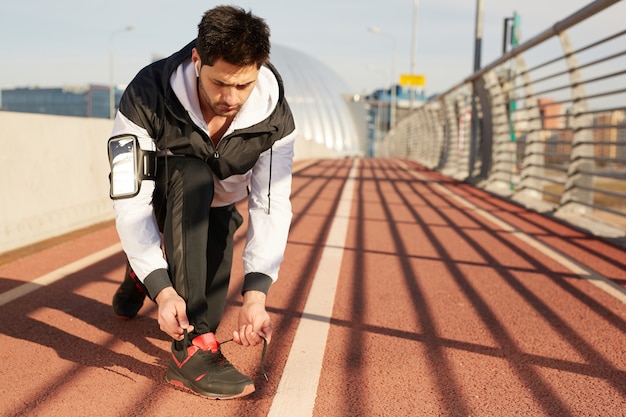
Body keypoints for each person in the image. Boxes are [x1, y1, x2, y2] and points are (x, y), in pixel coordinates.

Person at [107, 5, 296, 400]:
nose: (230, 97)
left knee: (212, 263)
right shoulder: (146, 95)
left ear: (259, 69)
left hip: (221, 206)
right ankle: (191, 351)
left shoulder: (275, 118)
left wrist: (256, 295)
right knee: (191, 178)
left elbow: (271, 202)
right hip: (165, 198)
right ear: (197, 59)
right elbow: (131, 203)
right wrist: (163, 290)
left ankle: (139, 271)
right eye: (219, 83)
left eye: (243, 86)